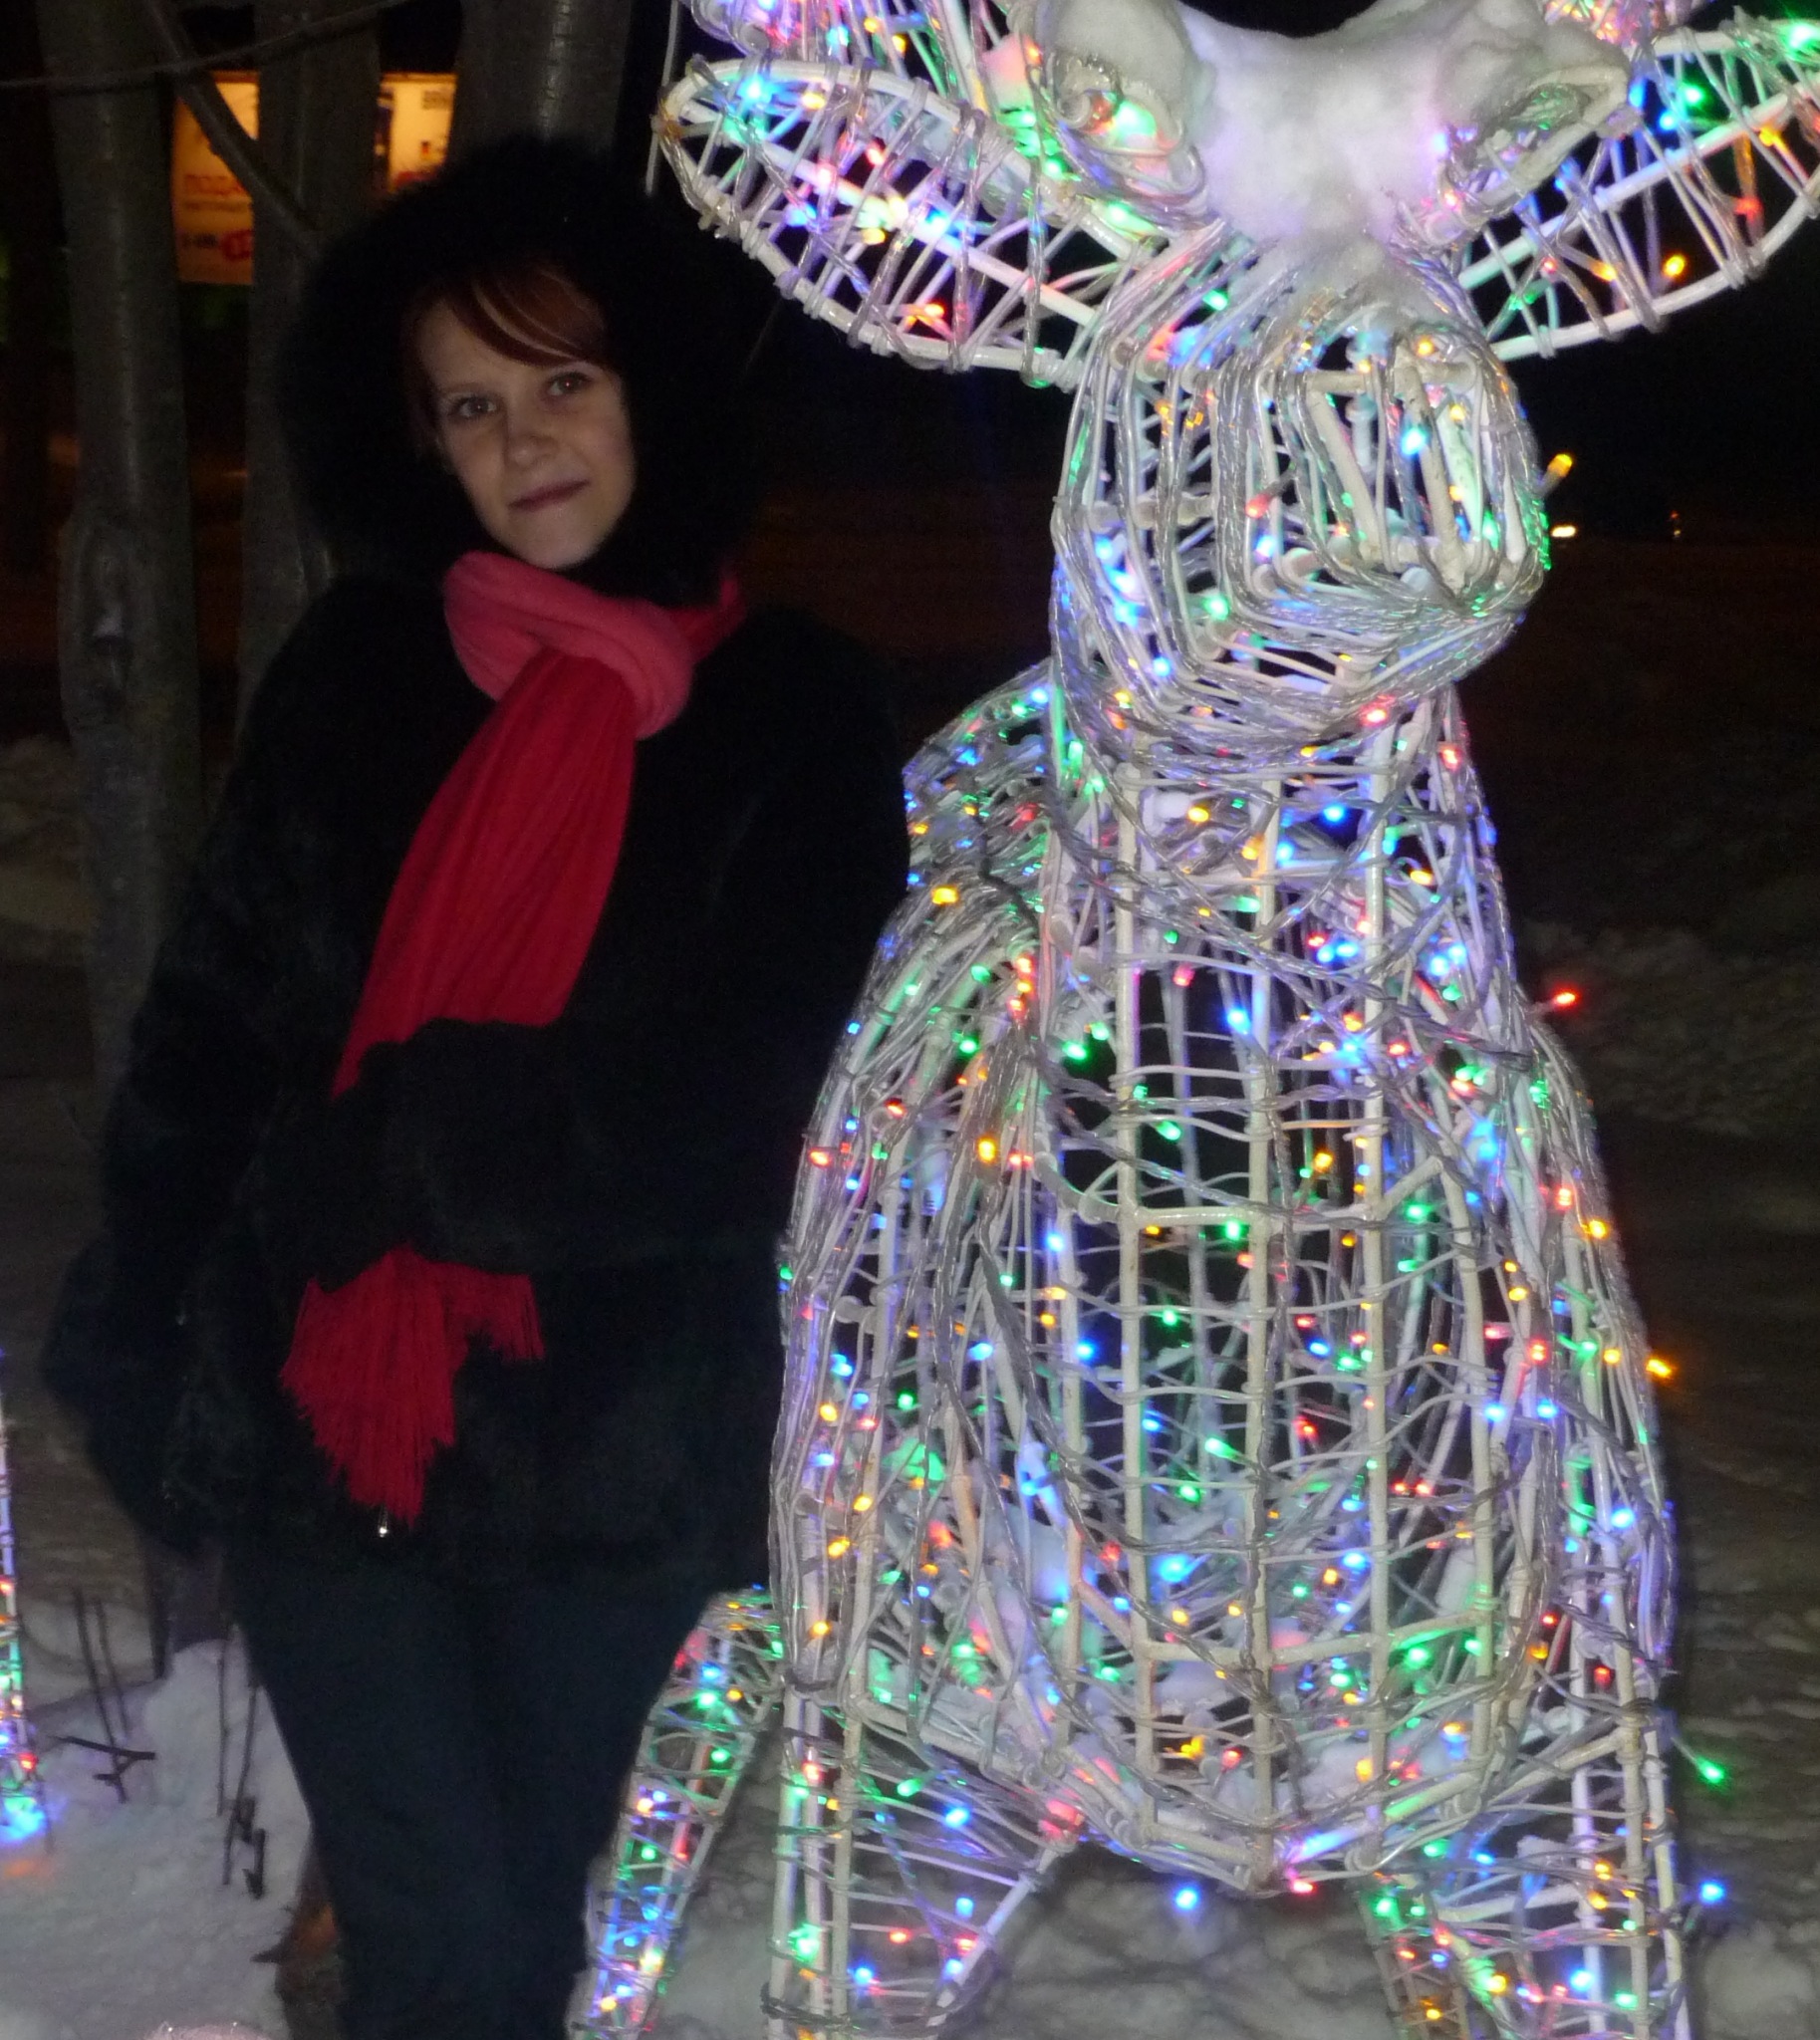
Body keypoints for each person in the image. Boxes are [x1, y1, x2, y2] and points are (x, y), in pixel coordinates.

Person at [43, 137, 908, 2040]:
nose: (525, 442)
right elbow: (208, 1029)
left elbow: (778, 1093)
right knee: (453, 1948)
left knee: (511, 1938)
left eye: (562, 382)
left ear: (650, 391)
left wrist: (427, 1150)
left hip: (614, 1456)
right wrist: (144, 1328)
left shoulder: (799, 712)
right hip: (318, 1420)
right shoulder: (360, 672)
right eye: (469, 406)